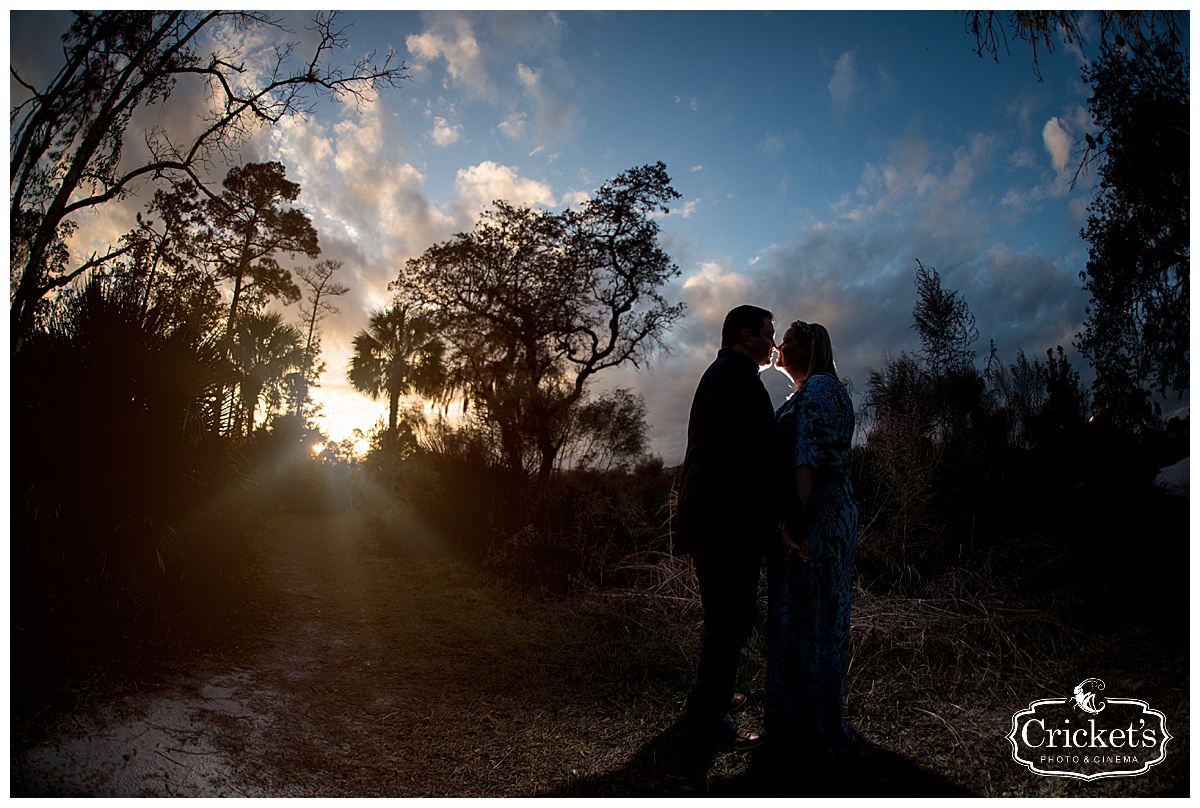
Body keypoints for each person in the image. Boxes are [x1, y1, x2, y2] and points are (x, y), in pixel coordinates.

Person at [675, 304, 788, 751]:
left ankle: (710, 697)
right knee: (729, 619)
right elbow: (751, 462)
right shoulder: (737, 379)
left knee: (727, 617)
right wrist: (776, 520)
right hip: (724, 523)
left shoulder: (724, 374)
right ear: (746, 336)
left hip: (716, 519)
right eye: (768, 334)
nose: (773, 344)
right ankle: (710, 715)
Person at [765, 320, 858, 757]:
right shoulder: (822, 389)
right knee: (816, 615)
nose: (778, 348)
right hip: (828, 512)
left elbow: (808, 462)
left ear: (806, 349)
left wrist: (792, 526)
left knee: (813, 616)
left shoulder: (818, 390)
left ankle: (812, 728)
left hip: (815, 517)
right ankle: (811, 720)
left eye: (786, 342)